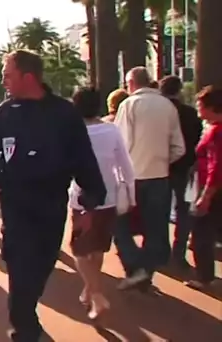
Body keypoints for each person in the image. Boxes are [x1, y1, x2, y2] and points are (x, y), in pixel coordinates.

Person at [0, 50, 107, 341]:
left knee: (41, 268)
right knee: (20, 271)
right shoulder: (3, 113)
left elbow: (84, 161)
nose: (3, 80)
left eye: (8, 74)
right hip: (16, 206)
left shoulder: (64, 114)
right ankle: (24, 327)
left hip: (51, 207)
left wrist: (88, 205)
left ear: (28, 77)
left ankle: (26, 312)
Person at [113, 67, 185, 290]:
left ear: (132, 83)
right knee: (155, 229)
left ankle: (135, 266)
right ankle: (145, 272)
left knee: (119, 225)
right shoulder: (168, 106)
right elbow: (178, 147)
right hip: (159, 176)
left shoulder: (128, 105)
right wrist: (161, 161)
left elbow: (120, 144)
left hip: (133, 177)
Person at [69, 88, 136, 320]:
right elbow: (125, 165)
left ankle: (95, 292)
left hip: (81, 199)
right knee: (97, 247)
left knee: (78, 250)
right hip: (108, 197)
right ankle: (90, 289)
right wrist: (131, 193)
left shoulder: (72, 133)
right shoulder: (111, 130)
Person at [159, 75, 203, 268]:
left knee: (159, 211)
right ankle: (179, 253)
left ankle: (160, 252)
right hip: (184, 168)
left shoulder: (158, 112)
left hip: (158, 168)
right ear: (179, 90)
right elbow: (196, 141)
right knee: (183, 211)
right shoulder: (189, 113)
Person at [185, 86, 222, 289]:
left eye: (200, 106)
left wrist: (206, 195)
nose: (198, 110)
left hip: (212, 189)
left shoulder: (217, 132)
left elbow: (216, 167)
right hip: (212, 187)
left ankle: (205, 277)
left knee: (201, 234)